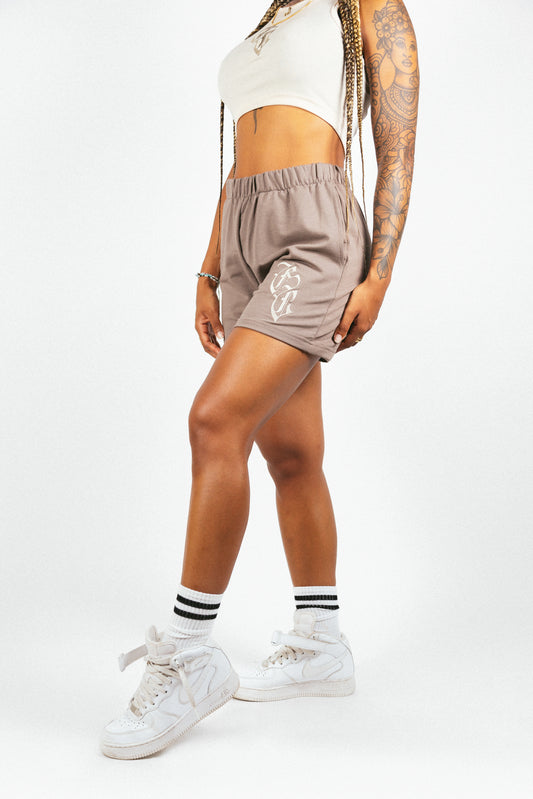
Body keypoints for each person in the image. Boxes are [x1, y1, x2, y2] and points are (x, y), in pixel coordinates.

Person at [100, 0, 419, 759]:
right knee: (291, 454)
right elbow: (238, 162)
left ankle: (189, 652)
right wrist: (209, 268)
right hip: (245, 231)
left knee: (215, 421)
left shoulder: (367, 6)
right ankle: (320, 642)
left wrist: (378, 274)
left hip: (313, 232)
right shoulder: (276, 15)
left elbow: (397, 148)